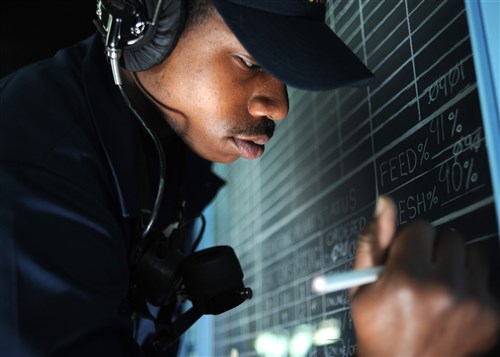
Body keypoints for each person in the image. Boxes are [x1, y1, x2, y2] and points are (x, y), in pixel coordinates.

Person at [0, 0, 498, 356]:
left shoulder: (165, 136)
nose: (279, 106)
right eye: (252, 61)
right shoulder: (31, 176)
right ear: (146, 24)